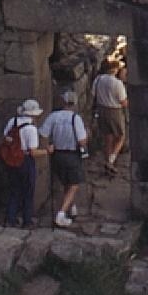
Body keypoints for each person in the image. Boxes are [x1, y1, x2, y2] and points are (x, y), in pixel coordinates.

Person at [39, 91, 88, 227]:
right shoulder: (76, 119)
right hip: (72, 155)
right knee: (74, 184)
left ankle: (71, 208)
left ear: (63, 101)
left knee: (65, 181)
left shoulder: (54, 116)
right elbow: (82, 140)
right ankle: (61, 213)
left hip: (57, 154)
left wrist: (49, 145)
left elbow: (43, 133)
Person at [0, 99, 46, 228]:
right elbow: (33, 151)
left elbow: (5, 137)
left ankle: (10, 218)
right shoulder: (31, 129)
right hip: (25, 160)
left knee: (14, 190)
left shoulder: (12, 122)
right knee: (28, 191)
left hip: (11, 160)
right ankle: (27, 220)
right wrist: (47, 151)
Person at [90, 61, 129, 177]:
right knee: (121, 136)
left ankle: (108, 161)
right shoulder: (117, 84)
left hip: (101, 109)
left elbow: (93, 94)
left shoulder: (98, 80)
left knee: (108, 137)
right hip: (114, 111)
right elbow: (123, 102)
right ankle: (111, 160)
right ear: (115, 70)